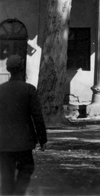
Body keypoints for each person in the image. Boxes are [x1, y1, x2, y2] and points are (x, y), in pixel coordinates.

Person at [0, 54, 47, 195]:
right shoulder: (29, 89)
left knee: (6, 176)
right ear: (22, 69)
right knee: (26, 168)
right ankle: (18, 193)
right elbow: (37, 116)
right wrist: (42, 139)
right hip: (24, 142)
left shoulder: (0, 90)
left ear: (8, 69)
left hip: (3, 141)